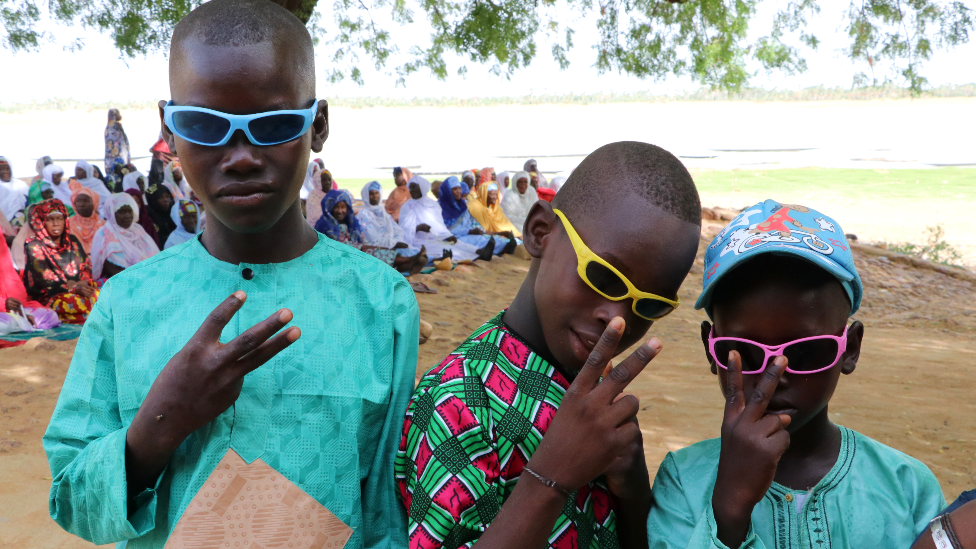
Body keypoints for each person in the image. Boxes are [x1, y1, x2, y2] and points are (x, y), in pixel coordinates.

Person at [44, 2, 417, 548]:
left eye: (272, 126)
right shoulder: (126, 303)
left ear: (318, 126)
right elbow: (72, 501)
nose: (239, 157)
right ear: (168, 130)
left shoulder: (381, 302)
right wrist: (160, 423)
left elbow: (387, 511)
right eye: (203, 125)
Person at [395, 141, 703, 549]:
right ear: (540, 232)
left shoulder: (594, 386)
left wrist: (631, 491)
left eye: (648, 305)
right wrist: (551, 477)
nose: (618, 319)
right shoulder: (460, 402)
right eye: (603, 276)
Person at [646, 200, 946, 549]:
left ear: (850, 348)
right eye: (743, 351)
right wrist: (729, 509)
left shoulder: (906, 486)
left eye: (804, 352)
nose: (774, 375)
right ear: (711, 349)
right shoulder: (684, 480)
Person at [21, 199, 99, 324]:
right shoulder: (34, 245)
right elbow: (44, 280)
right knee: (79, 304)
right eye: (50, 219)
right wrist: (73, 288)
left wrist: (81, 283)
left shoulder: (72, 241)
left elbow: (85, 268)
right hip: (48, 297)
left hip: (78, 289)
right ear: (42, 221)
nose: (56, 223)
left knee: (104, 296)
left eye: (59, 219)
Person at [316, 189, 427, 274]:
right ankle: (412, 259)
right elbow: (331, 248)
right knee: (374, 256)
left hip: (356, 253)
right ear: (329, 208)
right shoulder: (325, 225)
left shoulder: (351, 224)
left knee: (382, 254)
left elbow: (362, 241)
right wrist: (363, 248)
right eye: (336, 207)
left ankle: (412, 264)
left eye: (343, 207)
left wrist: (373, 247)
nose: (340, 211)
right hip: (340, 260)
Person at [398, 175, 490, 262]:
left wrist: (447, 235)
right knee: (445, 250)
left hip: (437, 237)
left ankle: (479, 252)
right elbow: (404, 231)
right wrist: (418, 228)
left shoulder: (432, 205)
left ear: (422, 188)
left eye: (415, 187)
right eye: (411, 188)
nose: (412, 190)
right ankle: (466, 256)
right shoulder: (407, 207)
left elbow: (439, 226)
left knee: (457, 243)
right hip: (417, 240)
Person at [0, 232, 61, 334]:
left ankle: (21, 322)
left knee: (50, 315)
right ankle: (20, 323)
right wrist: (3, 304)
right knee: (7, 324)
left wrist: (18, 310)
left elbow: (13, 287)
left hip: (8, 310)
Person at [90, 193, 160, 279]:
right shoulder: (104, 234)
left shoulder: (137, 230)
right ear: (111, 213)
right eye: (122, 212)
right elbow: (110, 269)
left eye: (129, 211)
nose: (127, 216)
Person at [437, 177, 512, 256]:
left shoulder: (462, 205)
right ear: (448, 191)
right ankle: (486, 252)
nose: (458, 191)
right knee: (472, 242)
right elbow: (444, 229)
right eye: (455, 189)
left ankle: (504, 247)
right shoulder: (440, 207)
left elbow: (467, 223)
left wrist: (473, 231)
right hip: (452, 237)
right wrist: (469, 231)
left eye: (459, 188)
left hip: (466, 234)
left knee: (485, 239)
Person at [356, 180, 426, 263]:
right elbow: (371, 239)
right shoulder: (363, 215)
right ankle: (412, 260)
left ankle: (417, 259)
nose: (375, 196)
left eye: (376, 193)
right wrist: (393, 244)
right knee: (397, 255)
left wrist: (397, 242)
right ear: (366, 196)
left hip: (392, 244)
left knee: (412, 250)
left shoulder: (382, 212)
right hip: (377, 248)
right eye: (371, 194)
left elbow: (397, 231)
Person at [67, 188, 105, 253]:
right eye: (78, 201)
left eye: (85, 201)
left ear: (94, 203)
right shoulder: (69, 224)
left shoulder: (103, 225)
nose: (81, 204)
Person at [104, 108, 131, 187]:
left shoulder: (115, 126)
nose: (120, 116)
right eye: (118, 114)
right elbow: (114, 145)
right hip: (116, 157)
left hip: (119, 155)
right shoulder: (112, 128)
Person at [0, 156, 28, 227]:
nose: (5, 172)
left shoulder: (21, 185)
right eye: (1, 169)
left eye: (7, 169)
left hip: (20, 223)